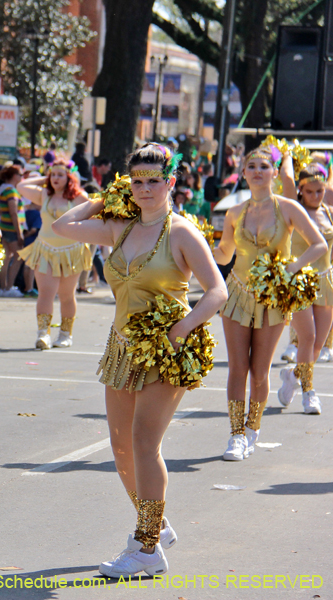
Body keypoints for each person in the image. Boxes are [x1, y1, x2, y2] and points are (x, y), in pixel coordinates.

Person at [52, 143, 228, 578]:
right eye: (137, 181)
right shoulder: (120, 227)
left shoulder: (182, 232)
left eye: (154, 181)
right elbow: (62, 224)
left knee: (145, 443)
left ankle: (146, 549)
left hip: (166, 349)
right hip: (122, 347)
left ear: (170, 183)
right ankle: (155, 523)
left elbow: (217, 292)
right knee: (121, 448)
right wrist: (105, 197)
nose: (145, 189)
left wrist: (180, 330)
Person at [213, 145, 327, 461]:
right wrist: (197, 248)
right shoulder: (234, 212)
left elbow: (318, 244)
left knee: (259, 371)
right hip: (237, 293)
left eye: (265, 166)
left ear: (274, 173)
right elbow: (225, 253)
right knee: (237, 367)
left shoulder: (288, 208)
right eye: (252, 166)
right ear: (244, 173)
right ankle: (235, 435)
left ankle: (252, 429)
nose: (258, 171)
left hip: (273, 299)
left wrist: (291, 268)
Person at [276, 163, 332, 415]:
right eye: (310, 191)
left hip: (326, 281)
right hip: (298, 281)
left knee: (318, 345)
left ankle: (293, 375)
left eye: (320, 191)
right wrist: (286, 153)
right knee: (306, 337)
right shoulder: (293, 208)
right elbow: (286, 175)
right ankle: (309, 393)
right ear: (300, 190)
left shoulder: (329, 212)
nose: (316, 196)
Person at [17, 159, 90, 348]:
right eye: (53, 174)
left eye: (60, 174)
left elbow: (94, 216)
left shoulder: (79, 197)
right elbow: (21, 185)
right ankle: (43, 334)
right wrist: (46, 178)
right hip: (45, 250)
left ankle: (66, 334)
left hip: (71, 252)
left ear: (69, 177)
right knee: (45, 293)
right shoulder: (44, 194)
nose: (55, 178)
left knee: (66, 295)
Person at [0, 165, 26, 298]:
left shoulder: (1, 190)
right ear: (14, 176)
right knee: (18, 257)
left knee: (6, 258)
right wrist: (20, 233)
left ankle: (3, 287)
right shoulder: (11, 191)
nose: (21, 177)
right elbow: (14, 213)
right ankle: (8, 286)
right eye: (20, 175)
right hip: (12, 229)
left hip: (3, 226)